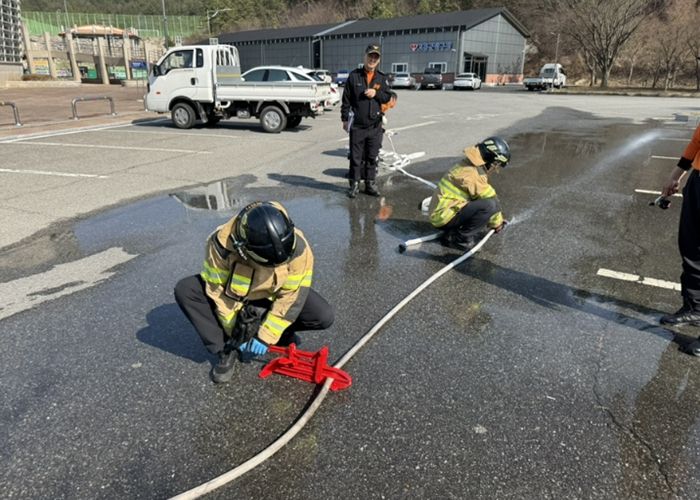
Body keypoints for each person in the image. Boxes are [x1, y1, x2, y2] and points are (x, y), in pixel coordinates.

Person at [174, 201, 335, 383]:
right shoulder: (221, 246)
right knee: (186, 290)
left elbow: (292, 295)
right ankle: (226, 349)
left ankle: (279, 331)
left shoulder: (298, 248)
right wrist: (237, 335)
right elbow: (218, 294)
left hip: (271, 295)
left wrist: (267, 335)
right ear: (244, 249)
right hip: (235, 296)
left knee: (322, 315)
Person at [659, 124, 700, 355]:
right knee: (691, 248)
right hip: (698, 181)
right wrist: (674, 176)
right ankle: (695, 307)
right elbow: (696, 143)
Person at [428, 137, 510, 250]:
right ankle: (459, 238)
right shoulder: (474, 175)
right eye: (495, 164)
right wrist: (497, 223)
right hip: (444, 217)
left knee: (483, 203)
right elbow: (491, 200)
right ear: (490, 159)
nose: (494, 168)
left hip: (442, 213)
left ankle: (453, 231)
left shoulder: (467, 164)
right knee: (489, 206)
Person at [341, 43, 393, 199]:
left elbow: (387, 97)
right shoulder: (354, 76)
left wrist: (376, 93)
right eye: (370, 56)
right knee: (356, 158)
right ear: (365, 56)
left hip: (375, 126)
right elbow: (346, 100)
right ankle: (354, 184)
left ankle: (370, 183)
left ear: (378, 60)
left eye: (375, 57)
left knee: (372, 157)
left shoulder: (382, 78)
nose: (372, 59)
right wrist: (344, 119)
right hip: (357, 126)